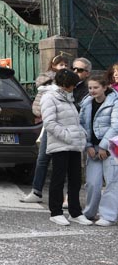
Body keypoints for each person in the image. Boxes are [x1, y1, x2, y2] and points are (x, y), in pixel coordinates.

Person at [38, 69, 90, 226]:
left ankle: (75, 212)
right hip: (61, 145)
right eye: (72, 85)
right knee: (58, 179)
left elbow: (74, 121)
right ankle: (56, 212)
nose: (74, 88)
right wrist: (68, 136)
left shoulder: (67, 97)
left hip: (73, 144)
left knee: (75, 179)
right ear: (64, 84)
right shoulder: (49, 97)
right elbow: (49, 123)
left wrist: (79, 135)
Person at [21, 54, 70, 203]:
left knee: (63, 163)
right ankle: (36, 191)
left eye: (65, 64)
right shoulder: (46, 82)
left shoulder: (70, 82)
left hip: (65, 128)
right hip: (49, 126)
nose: (63, 67)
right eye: (60, 64)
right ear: (53, 65)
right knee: (42, 159)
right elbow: (38, 104)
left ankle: (66, 196)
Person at [79, 73, 118, 224]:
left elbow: (116, 126)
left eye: (96, 87)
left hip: (111, 148)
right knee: (92, 182)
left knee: (112, 182)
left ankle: (108, 216)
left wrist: (104, 147)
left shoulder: (115, 101)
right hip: (92, 149)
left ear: (105, 87)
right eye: (90, 87)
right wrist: (88, 145)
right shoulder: (86, 102)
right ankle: (89, 212)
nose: (92, 91)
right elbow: (82, 125)